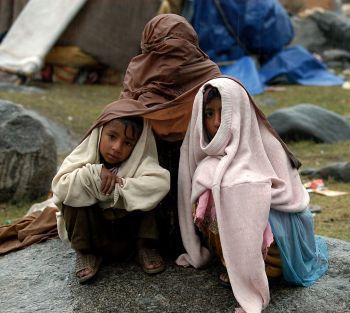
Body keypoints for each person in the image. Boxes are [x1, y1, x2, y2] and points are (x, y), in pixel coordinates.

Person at [176, 77, 329, 313]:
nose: (217, 122)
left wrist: (244, 191)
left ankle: (250, 274)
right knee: (208, 185)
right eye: (208, 113)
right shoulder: (206, 156)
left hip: (277, 248)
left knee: (228, 190)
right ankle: (232, 264)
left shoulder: (267, 144)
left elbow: (291, 198)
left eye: (224, 112)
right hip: (244, 242)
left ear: (240, 112)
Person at [85, 13, 221, 258]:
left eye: (179, 49)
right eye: (163, 51)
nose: (171, 59)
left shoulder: (208, 73)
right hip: (143, 150)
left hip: (194, 155)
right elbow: (122, 117)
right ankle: (145, 244)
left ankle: (185, 239)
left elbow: (221, 119)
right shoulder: (140, 70)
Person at [52, 115, 170, 283]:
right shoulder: (81, 158)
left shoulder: (141, 163)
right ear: (99, 133)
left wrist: (119, 188)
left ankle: (145, 247)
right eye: (112, 136)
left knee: (152, 191)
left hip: (129, 237)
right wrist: (93, 175)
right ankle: (86, 253)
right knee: (73, 189)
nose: (116, 147)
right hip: (95, 236)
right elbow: (60, 187)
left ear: (137, 146)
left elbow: (160, 183)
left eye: (128, 143)